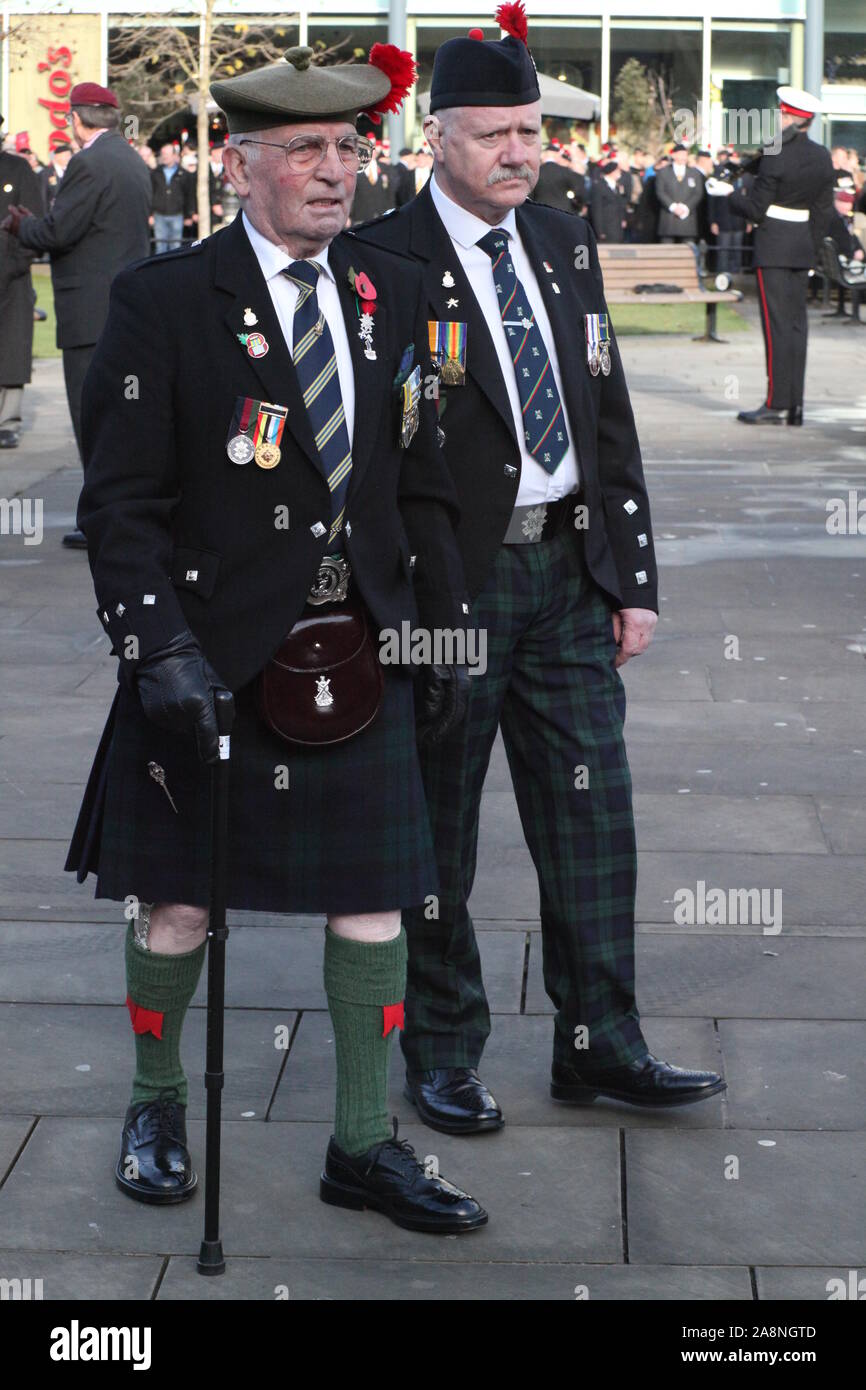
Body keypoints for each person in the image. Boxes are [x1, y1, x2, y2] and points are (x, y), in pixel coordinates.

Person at [63, 43, 485, 1235]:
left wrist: (443, 637)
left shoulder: (393, 291)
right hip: (214, 656)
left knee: (377, 900)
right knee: (177, 906)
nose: (332, 171)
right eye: (303, 149)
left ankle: (362, 1141)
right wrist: (156, 649)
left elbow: (426, 480)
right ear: (239, 165)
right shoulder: (163, 303)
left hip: (363, 652)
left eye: (346, 148)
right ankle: (155, 1101)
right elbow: (121, 506)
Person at [354, 5, 725, 1134]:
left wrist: (634, 576)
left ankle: (597, 1042)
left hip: (566, 574)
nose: (519, 151)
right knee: (438, 831)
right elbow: (364, 461)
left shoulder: (559, 238)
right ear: (436, 138)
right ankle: (443, 1048)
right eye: (492, 134)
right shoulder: (382, 261)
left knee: (592, 816)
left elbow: (604, 414)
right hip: (447, 591)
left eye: (531, 131)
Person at [0, 83, 151, 548]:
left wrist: (23, 224)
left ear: (76, 119)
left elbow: (60, 230)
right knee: (121, 419)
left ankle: (102, 520)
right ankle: (124, 514)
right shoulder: (129, 158)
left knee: (93, 418)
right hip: (124, 304)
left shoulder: (89, 162)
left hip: (89, 309)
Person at [722, 86, 834, 425]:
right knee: (798, 326)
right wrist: (812, 250)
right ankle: (796, 403)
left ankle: (775, 403)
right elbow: (823, 212)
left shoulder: (775, 152)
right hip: (802, 247)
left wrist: (730, 195)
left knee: (776, 327)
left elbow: (756, 209)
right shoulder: (821, 156)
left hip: (773, 246)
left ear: (789, 117)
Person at [0, 114, 42, 449]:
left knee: (11, 347)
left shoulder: (19, 169)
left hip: (11, 276)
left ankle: (7, 420)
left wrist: (15, 264)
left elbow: (32, 221)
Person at [150, 143, 195, 252]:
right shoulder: (155, 173)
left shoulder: (184, 174)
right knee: (160, 247)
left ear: (175, 156)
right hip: (159, 215)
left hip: (177, 215)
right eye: (162, 154)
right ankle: (160, 269)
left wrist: (189, 215)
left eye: (167, 154)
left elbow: (189, 195)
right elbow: (151, 193)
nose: (164, 156)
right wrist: (150, 214)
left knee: (175, 247)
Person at [654, 143, 704, 242]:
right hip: (668, 219)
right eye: (680, 154)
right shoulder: (663, 172)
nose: (683, 157)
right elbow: (660, 191)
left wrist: (686, 207)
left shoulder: (695, 173)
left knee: (688, 252)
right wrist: (673, 207)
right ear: (674, 155)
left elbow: (698, 193)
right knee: (667, 252)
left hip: (687, 219)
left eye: (685, 154)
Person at [533, 140, 587, 215]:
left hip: (540, 213)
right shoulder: (565, 171)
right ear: (557, 155)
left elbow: (530, 195)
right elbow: (579, 192)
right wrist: (578, 207)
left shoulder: (536, 172)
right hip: (563, 212)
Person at [589, 159, 627, 243]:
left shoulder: (617, 187)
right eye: (618, 170)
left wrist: (622, 219)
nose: (620, 173)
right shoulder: (599, 186)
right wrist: (600, 230)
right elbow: (597, 210)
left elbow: (620, 205)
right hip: (606, 228)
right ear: (612, 172)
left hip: (617, 227)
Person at [39, 142, 74, 213]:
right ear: (57, 157)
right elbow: (43, 197)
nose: (69, 158)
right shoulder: (46, 174)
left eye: (70, 155)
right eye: (66, 156)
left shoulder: (73, 170)